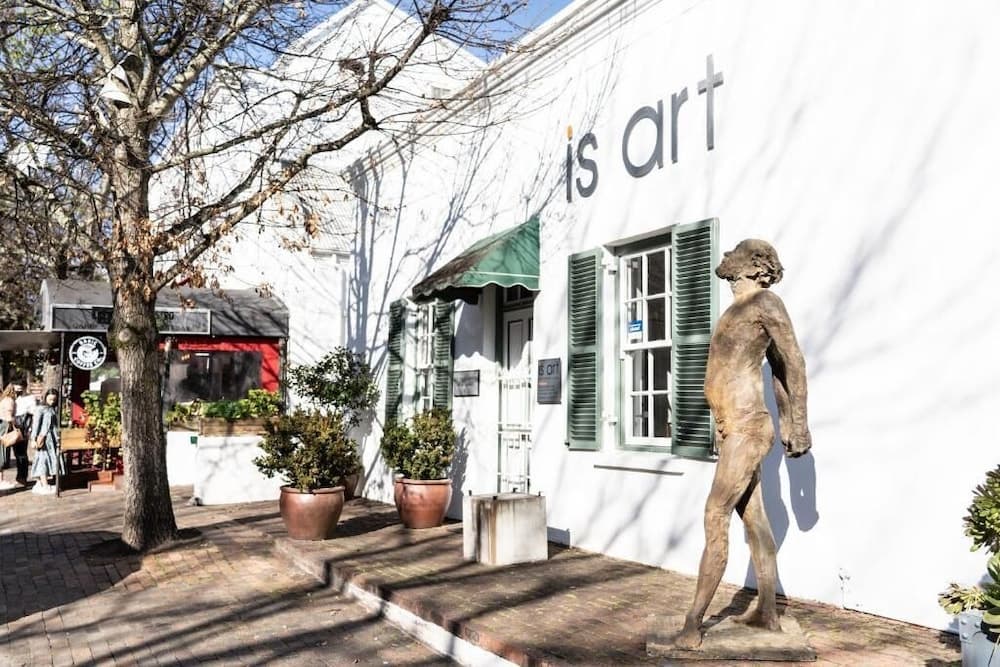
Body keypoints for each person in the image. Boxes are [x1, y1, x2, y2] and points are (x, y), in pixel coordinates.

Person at [673, 239, 812, 650]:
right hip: (730, 426)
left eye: (734, 252)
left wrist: (797, 424)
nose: (725, 257)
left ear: (754, 265)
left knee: (715, 513)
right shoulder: (735, 309)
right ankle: (767, 611)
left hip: (748, 427)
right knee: (754, 520)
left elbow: (791, 363)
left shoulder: (766, 302)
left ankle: (693, 623)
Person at [29, 388, 65, 495]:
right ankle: (44, 485)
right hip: (44, 438)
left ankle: (40, 483)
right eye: (50, 399)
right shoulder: (41, 409)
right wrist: (33, 438)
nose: (52, 401)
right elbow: (36, 425)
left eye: (54, 400)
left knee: (45, 459)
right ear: (45, 398)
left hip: (52, 439)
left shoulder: (52, 409)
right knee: (42, 460)